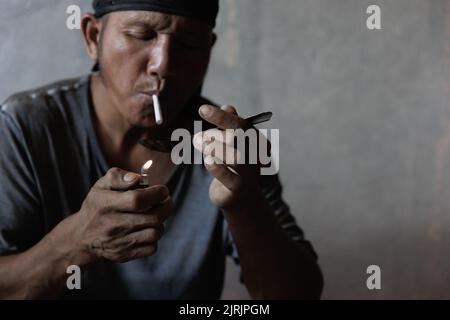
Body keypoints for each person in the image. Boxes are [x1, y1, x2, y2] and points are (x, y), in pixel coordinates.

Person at [0, 0, 323, 299]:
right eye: (142, 35)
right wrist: (76, 241)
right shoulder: (26, 128)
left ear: (209, 50)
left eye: (190, 43)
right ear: (93, 37)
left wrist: (246, 204)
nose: (163, 64)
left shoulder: (231, 148)